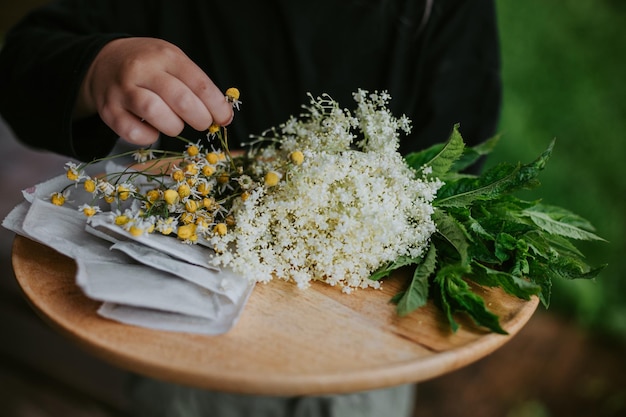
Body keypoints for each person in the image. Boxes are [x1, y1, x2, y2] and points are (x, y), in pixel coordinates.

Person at [0, 1, 502, 416]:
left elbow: (456, 162)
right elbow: (22, 64)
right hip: (189, 326)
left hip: (362, 342)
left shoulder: (442, 12)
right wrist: (96, 68)